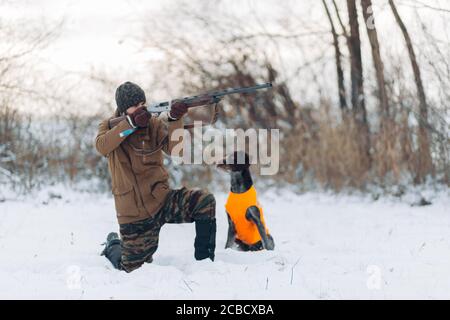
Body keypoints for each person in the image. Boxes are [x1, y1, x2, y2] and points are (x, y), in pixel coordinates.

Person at [95, 81, 216, 272]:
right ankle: (113, 246)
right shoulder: (108, 127)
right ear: (123, 109)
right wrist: (131, 123)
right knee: (131, 269)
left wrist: (176, 118)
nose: (141, 108)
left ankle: (204, 264)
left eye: (143, 103)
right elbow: (102, 146)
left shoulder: (153, 124)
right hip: (134, 214)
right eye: (135, 106)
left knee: (205, 201)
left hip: (161, 201)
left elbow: (176, 151)